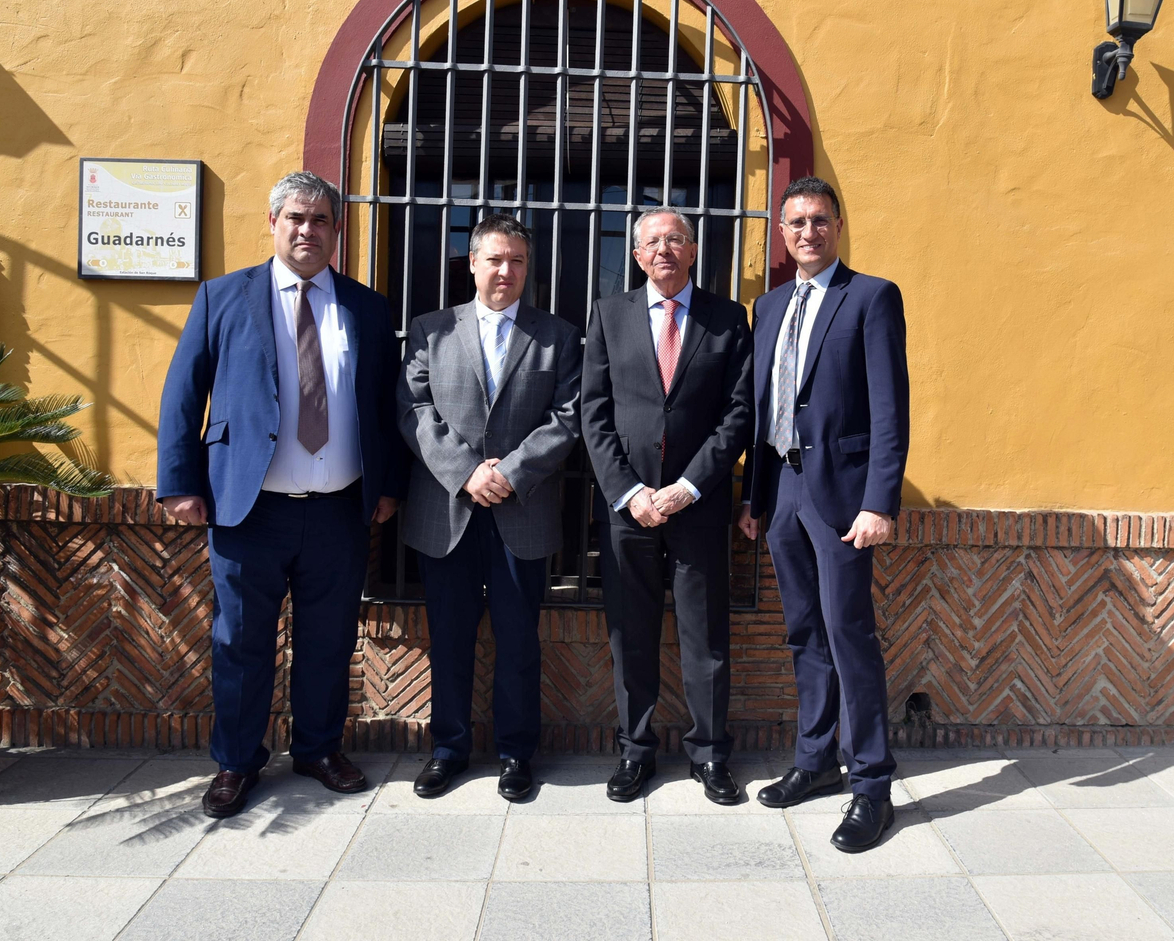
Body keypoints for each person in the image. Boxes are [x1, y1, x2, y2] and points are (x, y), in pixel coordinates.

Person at [157, 171, 404, 819]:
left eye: (321, 220)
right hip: (248, 509)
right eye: (295, 217)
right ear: (272, 223)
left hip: (338, 511)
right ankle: (236, 761)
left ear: (336, 230)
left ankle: (319, 748)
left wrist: (387, 487)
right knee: (241, 640)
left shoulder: (366, 307)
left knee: (329, 639)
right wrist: (179, 482)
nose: (307, 230)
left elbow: (383, 406)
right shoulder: (223, 297)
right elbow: (184, 393)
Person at [738, 176, 910, 853]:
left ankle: (871, 783)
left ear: (838, 225)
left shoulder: (869, 297)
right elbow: (766, 404)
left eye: (818, 220)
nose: (806, 232)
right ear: (781, 234)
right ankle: (816, 761)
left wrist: (879, 502)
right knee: (804, 631)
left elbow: (890, 410)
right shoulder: (769, 305)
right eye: (795, 223)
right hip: (781, 490)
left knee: (848, 633)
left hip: (841, 495)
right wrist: (755, 498)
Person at [398, 213, 582, 801]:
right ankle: (448, 750)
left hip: (520, 511)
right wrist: (466, 472)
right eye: (495, 259)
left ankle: (515, 753)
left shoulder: (557, 336)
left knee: (518, 639)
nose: (506, 270)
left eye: (518, 261)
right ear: (472, 263)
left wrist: (509, 472)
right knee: (449, 638)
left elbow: (569, 416)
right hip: (445, 511)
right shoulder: (430, 329)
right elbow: (414, 411)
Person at [580, 208, 755, 803]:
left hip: (697, 507)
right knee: (631, 632)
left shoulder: (728, 320)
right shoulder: (609, 315)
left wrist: (690, 486)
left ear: (694, 249)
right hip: (629, 509)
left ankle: (709, 755)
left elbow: (738, 415)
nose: (663, 250)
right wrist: (630, 492)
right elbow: (594, 413)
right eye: (652, 242)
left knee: (704, 636)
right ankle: (635, 751)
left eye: (675, 239)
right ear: (635, 256)